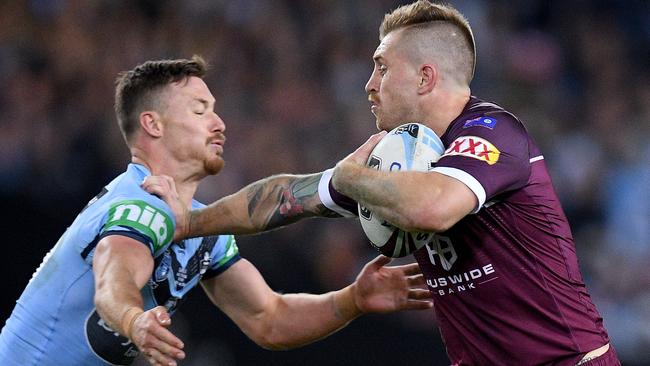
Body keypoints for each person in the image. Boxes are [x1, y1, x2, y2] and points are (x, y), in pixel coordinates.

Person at [143, 2, 621, 365]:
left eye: (382, 67)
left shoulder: (494, 134)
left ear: (425, 77)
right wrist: (189, 221)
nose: (369, 83)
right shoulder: (402, 157)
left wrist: (352, 175)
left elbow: (433, 208)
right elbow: (288, 197)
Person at [0, 56, 434, 366]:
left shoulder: (202, 227)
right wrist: (134, 320)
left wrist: (352, 299)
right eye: (200, 110)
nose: (219, 123)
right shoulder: (138, 206)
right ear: (153, 124)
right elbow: (113, 280)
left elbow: (270, 319)